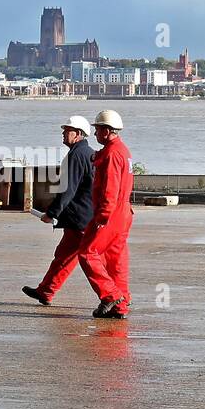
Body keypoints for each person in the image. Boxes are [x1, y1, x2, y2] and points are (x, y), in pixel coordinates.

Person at [22, 116, 94, 306]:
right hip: (84, 216)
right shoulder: (87, 153)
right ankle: (46, 291)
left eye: (67, 130)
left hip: (80, 217)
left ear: (77, 134)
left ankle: (113, 297)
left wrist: (52, 213)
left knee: (87, 260)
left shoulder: (77, 155)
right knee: (64, 257)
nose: (63, 133)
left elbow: (68, 188)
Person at [78, 110, 133, 319]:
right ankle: (121, 306)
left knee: (87, 252)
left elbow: (110, 188)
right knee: (115, 260)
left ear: (107, 131)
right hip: (124, 212)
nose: (95, 134)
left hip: (110, 211)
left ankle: (110, 295)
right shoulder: (122, 151)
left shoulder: (111, 154)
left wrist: (103, 215)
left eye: (98, 129)